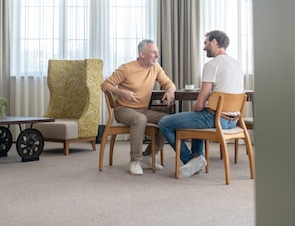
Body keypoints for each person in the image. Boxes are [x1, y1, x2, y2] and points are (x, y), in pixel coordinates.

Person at [159, 30, 244, 178]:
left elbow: (199, 104)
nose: (204, 47)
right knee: (198, 117)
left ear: (214, 42)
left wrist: (198, 108)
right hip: (233, 121)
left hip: (216, 119)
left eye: (205, 43)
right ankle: (197, 155)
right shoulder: (236, 64)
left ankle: (192, 159)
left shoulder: (212, 65)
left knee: (165, 123)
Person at [101, 39, 176, 175]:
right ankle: (135, 160)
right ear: (142, 54)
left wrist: (170, 90)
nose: (157, 55)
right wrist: (122, 92)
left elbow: (168, 83)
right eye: (153, 52)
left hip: (143, 110)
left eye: (157, 52)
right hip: (123, 109)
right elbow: (105, 85)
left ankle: (149, 155)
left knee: (169, 120)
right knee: (140, 119)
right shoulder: (126, 68)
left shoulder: (156, 68)